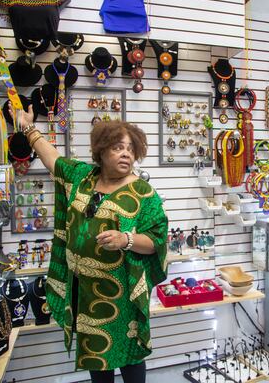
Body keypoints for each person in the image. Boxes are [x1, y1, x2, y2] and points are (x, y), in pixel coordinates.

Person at [16, 106, 168, 383]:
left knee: (129, 355)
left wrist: (127, 239)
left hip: (122, 294)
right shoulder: (83, 177)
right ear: (101, 151)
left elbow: (157, 240)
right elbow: (53, 161)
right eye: (118, 147)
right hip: (84, 291)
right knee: (97, 355)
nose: (126, 154)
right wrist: (28, 128)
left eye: (131, 149)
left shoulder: (144, 193)